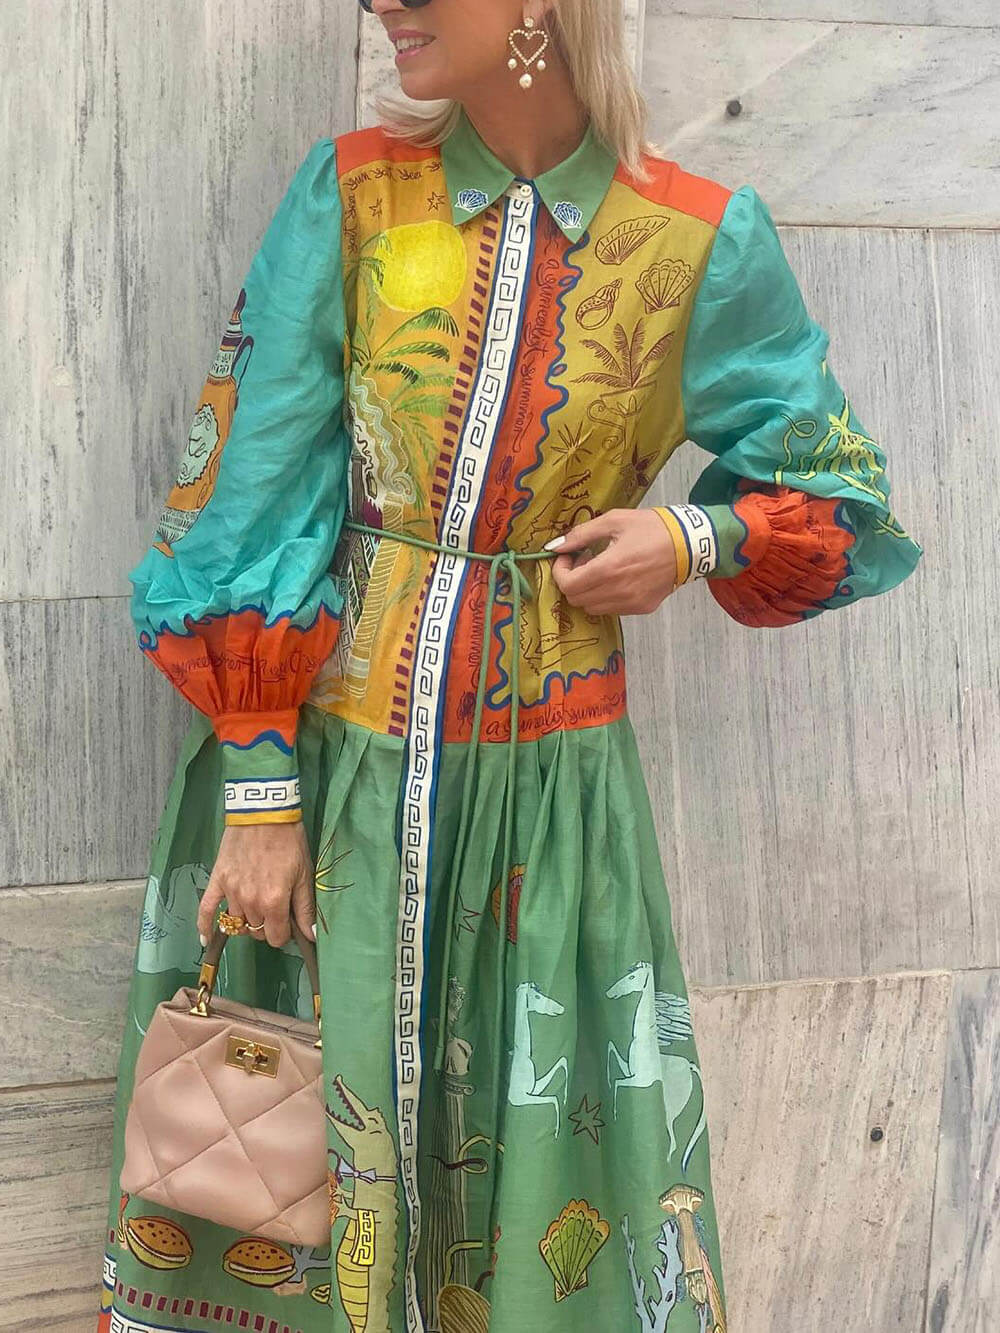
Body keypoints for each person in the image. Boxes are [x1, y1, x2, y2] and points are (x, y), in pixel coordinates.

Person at [96, 2, 923, 1330]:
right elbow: (247, 492)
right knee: (282, 1191)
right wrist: (258, 786)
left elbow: (839, 490)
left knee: (546, 1196)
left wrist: (690, 537)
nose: (384, 2)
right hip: (327, 787)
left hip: (551, 808)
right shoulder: (358, 198)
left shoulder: (698, 239)